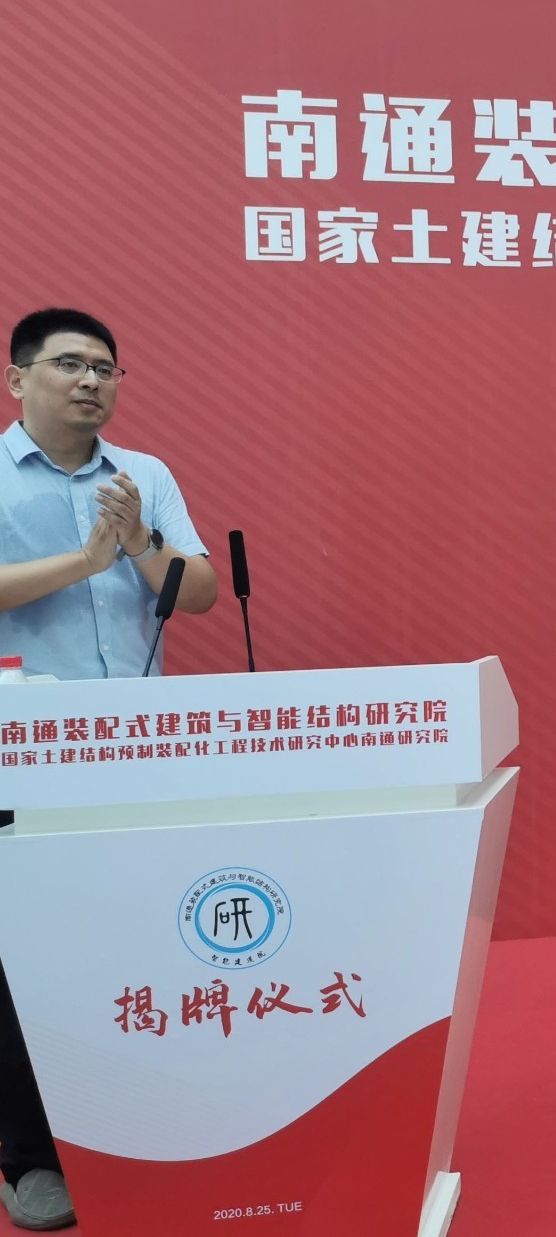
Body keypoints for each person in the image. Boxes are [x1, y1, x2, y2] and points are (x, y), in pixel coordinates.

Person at [0, 307, 218, 1231]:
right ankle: (30, 1157)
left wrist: (135, 546)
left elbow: (198, 592)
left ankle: (143, 1124)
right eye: (69, 364)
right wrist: (83, 561)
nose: (91, 381)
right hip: (22, 754)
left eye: (106, 368)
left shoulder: (144, 477)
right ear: (19, 379)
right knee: (23, 958)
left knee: (138, 940)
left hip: (137, 751)